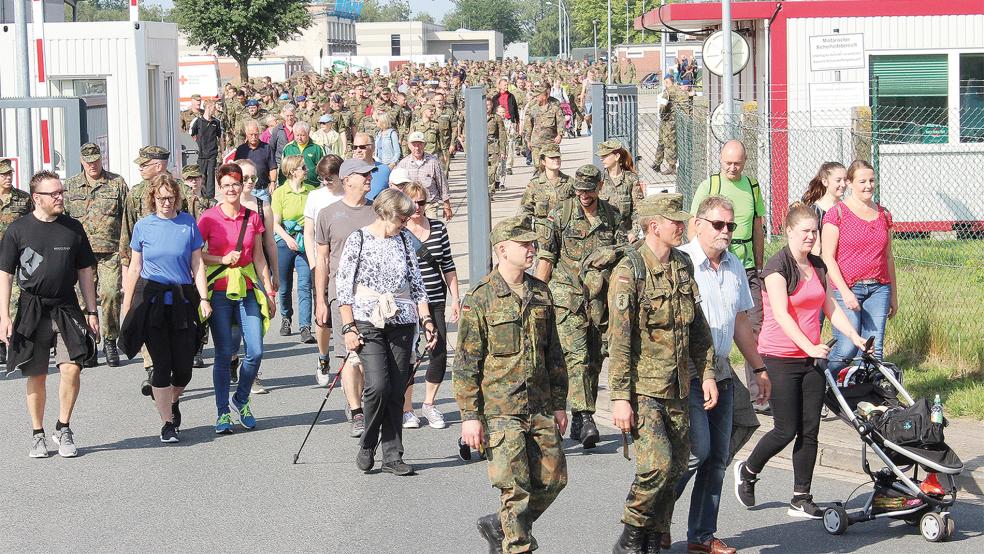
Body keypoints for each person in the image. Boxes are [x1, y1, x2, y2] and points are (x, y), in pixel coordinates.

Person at [734, 202, 869, 519]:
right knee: (786, 429)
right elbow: (781, 315)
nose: (811, 236)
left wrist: (855, 336)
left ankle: (801, 497)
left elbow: (830, 306)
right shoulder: (777, 267)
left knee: (810, 430)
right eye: (805, 231)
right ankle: (749, 470)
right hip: (779, 356)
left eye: (814, 231)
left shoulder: (818, 266)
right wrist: (809, 346)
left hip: (812, 359)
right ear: (789, 231)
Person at [607, 193, 715, 554]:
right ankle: (630, 537)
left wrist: (708, 373)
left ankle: (653, 538)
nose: (682, 226)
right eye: (675, 221)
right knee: (656, 466)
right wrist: (619, 398)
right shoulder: (629, 271)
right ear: (654, 226)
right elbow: (619, 342)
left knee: (677, 467)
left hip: (679, 386)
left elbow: (698, 327)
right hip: (644, 388)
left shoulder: (683, 264)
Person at [453, 216, 568, 554]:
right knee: (515, 490)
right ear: (502, 250)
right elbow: (466, 364)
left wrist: (559, 403)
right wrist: (469, 417)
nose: (532, 249)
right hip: (500, 410)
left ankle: (500, 525)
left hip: (539, 405)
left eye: (532, 244)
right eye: (524, 244)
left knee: (554, 479)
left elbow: (554, 354)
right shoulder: (480, 297)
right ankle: (517, 545)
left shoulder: (540, 292)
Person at [669, 195, 772, 554]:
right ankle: (654, 517)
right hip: (689, 373)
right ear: (698, 225)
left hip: (723, 371)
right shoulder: (681, 263)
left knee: (716, 459)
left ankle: (701, 536)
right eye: (718, 224)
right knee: (696, 452)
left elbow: (740, 321)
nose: (726, 231)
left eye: (731, 225)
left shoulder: (734, 265)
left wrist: (759, 367)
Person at [0, 170, 100, 459]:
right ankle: (38, 434)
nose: (60, 197)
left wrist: (91, 310)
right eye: (53, 193)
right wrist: (4, 316)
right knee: (37, 374)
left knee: (72, 367)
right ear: (37, 198)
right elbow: (5, 274)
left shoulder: (73, 228)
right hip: (32, 308)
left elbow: (85, 270)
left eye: (61, 192)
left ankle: (63, 427)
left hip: (66, 306)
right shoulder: (18, 230)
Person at [336, 188, 435, 477]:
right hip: (368, 319)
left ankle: (392, 455)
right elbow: (344, 287)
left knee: (397, 388)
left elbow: (417, 284)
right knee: (378, 385)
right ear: (386, 213)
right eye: (402, 218)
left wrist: (427, 321)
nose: (406, 223)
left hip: (402, 319)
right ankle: (368, 443)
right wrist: (348, 327)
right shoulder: (359, 238)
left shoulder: (404, 240)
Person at [536, 164, 624, 448]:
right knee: (578, 357)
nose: (584, 195)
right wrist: (536, 298)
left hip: (600, 300)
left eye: (589, 190)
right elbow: (546, 259)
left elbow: (622, 255)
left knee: (596, 358)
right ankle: (585, 417)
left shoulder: (612, 216)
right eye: (579, 190)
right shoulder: (560, 215)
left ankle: (578, 418)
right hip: (567, 296)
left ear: (599, 187)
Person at [120, 174, 210, 443]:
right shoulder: (143, 226)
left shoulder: (188, 223)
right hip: (153, 301)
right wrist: (127, 305)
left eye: (170, 198)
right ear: (153, 199)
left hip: (183, 299)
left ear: (177, 198)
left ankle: (172, 400)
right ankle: (167, 423)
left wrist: (204, 299)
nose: (166, 203)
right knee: (161, 365)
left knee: (184, 369)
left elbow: (197, 264)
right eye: (161, 198)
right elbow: (135, 267)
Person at [688, 140, 768, 413]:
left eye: (737, 164)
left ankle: (757, 392)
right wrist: (695, 258)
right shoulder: (709, 185)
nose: (732, 168)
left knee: (751, 325)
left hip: (742, 265)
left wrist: (759, 264)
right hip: (709, 265)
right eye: (728, 163)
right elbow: (694, 224)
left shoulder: (752, 187)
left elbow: (758, 226)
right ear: (720, 160)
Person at [198, 163, 275, 434]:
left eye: (235, 184)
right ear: (220, 188)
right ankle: (222, 412)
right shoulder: (208, 217)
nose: (231, 189)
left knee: (255, 351)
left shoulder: (252, 216)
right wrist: (221, 259)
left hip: (247, 288)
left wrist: (269, 291)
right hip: (219, 291)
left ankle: (240, 399)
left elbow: (259, 256)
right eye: (226, 185)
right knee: (223, 354)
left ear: (242, 186)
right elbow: (196, 255)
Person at [314, 158, 379, 437]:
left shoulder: (377, 210)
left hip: (373, 296)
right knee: (350, 354)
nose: (369, 178)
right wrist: (321, 300)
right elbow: (322, 259)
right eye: (363, 174)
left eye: (370, 174)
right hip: (341, 295)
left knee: (367, 356)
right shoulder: (328, 214)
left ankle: (362, 400)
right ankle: (356, 411)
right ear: (347, 179)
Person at [821, 160, 898, 378]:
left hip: (879, 288)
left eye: (871, 181)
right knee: (847, 347)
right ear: (850, 183)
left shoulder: (883, 214)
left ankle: (865, 393)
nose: (868, 186)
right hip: (847, 288)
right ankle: (825, 383)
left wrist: (893, 294)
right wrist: (845, 292)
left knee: (874, 349)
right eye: (862, 181)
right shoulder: (837, 214)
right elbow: (828, 257)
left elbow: (888, 257)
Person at [400, 181, 459, 430]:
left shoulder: (438, 228)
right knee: (408, 355)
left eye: (422, 202)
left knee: (439, 351)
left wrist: (455, 298)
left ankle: (429, 404)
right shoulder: (399, 231)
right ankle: (406, 409)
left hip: (435, 299)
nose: (417, 207)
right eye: (412, 202)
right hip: (408, 302)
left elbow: (448, 264)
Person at [63, 143, 128, 368]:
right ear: (81, 161)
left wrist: (126, 251)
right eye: (88, 161)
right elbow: (63, 220)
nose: (92, 165)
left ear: (102, 159)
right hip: (81, 254)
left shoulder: (116, 183)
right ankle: (89, 342)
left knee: (110, 294)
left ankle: (110, 340)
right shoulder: (70, 186)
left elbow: (127, 218)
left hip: (110, 252)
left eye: (96, 160)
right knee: (82, 300)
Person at [233, 158, 280, 393]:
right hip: (231, 274)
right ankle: (232, 357)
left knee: (256, 324)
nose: (250, 182)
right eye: (245, 178)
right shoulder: (220, 205)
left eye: (254, 177)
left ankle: (252, 374)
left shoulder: (263, 206)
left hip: (258, 272)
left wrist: (275, 274)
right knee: (232, 331)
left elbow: (270, 243)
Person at [303, 154, 344, 385]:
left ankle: (348, 357)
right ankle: (323, 356)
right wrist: (313, 262)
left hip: (344, 263)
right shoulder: (315, 197)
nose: (326, 182)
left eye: (330, 178)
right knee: (323, 315)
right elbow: (308, 232)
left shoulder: (348, 194)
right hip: (321, 263)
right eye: (322, 178)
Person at [271, 155, 317, 342]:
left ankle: (305, 326)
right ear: (292, 171)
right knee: (284, 286)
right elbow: (275, 223)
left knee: (305, 285)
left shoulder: (311, 192)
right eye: (303, 167)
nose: (307, 170)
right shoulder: (280, 193)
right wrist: (288, 239)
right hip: (284, 241)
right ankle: (286, 317)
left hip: (305, 242)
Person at [0, 158, 33, 364]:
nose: (8, 177)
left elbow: (33, 225)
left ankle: (10, 342)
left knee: (12, 300)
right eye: (3, 174)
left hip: (14, 257)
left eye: (10, 173)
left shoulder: (23, 199)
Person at [518, 144, 572, 245]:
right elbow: (525, 209)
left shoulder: (569, 182)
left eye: (558, 157)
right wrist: (524, 233)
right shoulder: (535, 184)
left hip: (566, 234)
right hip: (542, 236)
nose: (556, 160)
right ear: (543, 161)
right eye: (552, 158)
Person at [396, 132, 452, 220]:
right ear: (409, 146)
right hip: (411, 205)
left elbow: (442, 184)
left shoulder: (433, 162)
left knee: (431, 225)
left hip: (430, 204)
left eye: (420, 144)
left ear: (424, 145)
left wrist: (447, 205)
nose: (417, 148)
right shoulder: (403, 164)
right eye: (414, 145)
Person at [598, 139, 645, 240]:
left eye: (605, 155)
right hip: (604, 234)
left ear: (617, 156)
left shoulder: (630, 179)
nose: (602, 159)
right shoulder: (599, 180)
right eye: (601, 156)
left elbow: (639, 209)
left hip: (626, 234)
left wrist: (634, 232)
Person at [801, 162, 847, 257]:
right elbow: (816, 248)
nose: (843, 184)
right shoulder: (816, 210)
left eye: (845, 180)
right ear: (825, 182)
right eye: (838, 180)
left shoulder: (847, 207)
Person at [651, 75, 691, 175]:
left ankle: (671, 167)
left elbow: (662, 107)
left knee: (668, 143)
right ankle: (657, 163)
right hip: (675, 120)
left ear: (666, 82)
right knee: (665, 142)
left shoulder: (668, 92)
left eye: (665, 82)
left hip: (667, 121)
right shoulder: (679, 90)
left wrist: (662, 115)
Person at [524, 83, 564, 174]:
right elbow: (528, 125)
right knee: (537, 165)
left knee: (551, 165)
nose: (536, 98)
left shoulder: (555, 108)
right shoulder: (532, 108)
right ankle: (539, 179)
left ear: (544, 97)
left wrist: (560, 135)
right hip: (536, 141)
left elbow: (560, 122)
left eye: (538, 96)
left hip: (550, 141)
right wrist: (528, 140)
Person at [233, 120, 278, 201]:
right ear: (246, 134)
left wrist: (273, 182)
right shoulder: (241, 150)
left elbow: (272, 168)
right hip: (245, 190)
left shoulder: (267, 148)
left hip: (263, 191)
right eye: (251, 134)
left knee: (264, 209)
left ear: (259, 134)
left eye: (256, 134)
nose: (254, 137)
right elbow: (236, 169)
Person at [190, 99, 223, 199]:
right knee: (201, 176)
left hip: (212, 154)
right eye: (213, 107)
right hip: (200, 154)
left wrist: (222, 152)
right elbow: (190, 135)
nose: (215, 110)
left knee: (211, 176)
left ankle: (210, 198)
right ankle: (201, 196)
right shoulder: (197, 121)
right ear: (208, 107)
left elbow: (220, 137)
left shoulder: (216, 122)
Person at [281, 121, 324, 187]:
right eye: (297, 135)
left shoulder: (317, 148)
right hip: (293, 186)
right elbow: (283, 169)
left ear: (308, 133)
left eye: (302, 135)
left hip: (313, 186)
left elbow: (324, 168)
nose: (299, 138)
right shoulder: (288, 148)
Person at [352, 132, 391, 201]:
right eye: (355, 147)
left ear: (373, 148)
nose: (358, 150)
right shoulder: (348, 171)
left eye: (362, 147)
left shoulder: (385, 170)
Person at [486, 97, 508, 195]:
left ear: (492, 106)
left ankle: (490, 191)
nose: (486, 107)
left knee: (492, 170)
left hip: (493, 147)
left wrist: (503, 150)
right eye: (485, 105)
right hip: (481, 148)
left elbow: (502, 135)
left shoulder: (496, 118)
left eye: (488, 105)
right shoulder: (477, 117)